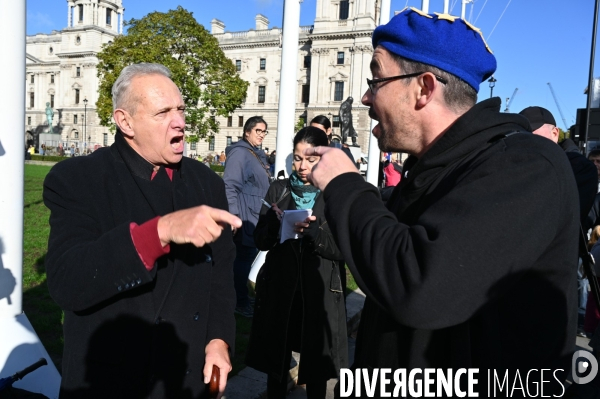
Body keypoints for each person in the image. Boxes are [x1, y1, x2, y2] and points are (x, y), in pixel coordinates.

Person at [305, 9, 578, 396]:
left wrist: (345, 184)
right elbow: (384, 251)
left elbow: (420, 286)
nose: (366, 95)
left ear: (424, 88)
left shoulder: (525, 166)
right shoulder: (433, 171)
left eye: (377, 78)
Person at [43, 63, 241, 398]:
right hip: (111, 384)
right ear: (125, 122)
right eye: (163, 112)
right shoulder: (78, 179)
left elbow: (221, 276)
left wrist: (219, 341)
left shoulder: (207, 183)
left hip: (185, 380)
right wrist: (159, 232)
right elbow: (68, 280)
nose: (180, 122)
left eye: (180, 109)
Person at [246, 126, 347, 399]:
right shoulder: (278, 189)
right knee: (276, 359)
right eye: (298, 158)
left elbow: (342, 250)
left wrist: (313, 232)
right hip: (281, 288)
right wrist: (273, 225)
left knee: (317, 364)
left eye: (310, 160)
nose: (302, 166)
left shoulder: (334, 194)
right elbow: (260, 241)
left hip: (319, 290)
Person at [223, 116, 271, 317]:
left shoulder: (255, 154)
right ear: (247, 132)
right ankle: (239, 302)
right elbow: (230, 185)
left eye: (264, 131)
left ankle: (241, 297)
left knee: (246, 258)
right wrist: (234, 216)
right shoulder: (240, 154)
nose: (261, 135)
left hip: (254, 214)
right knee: (243, 259)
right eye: (258, 130)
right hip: (244, 215)